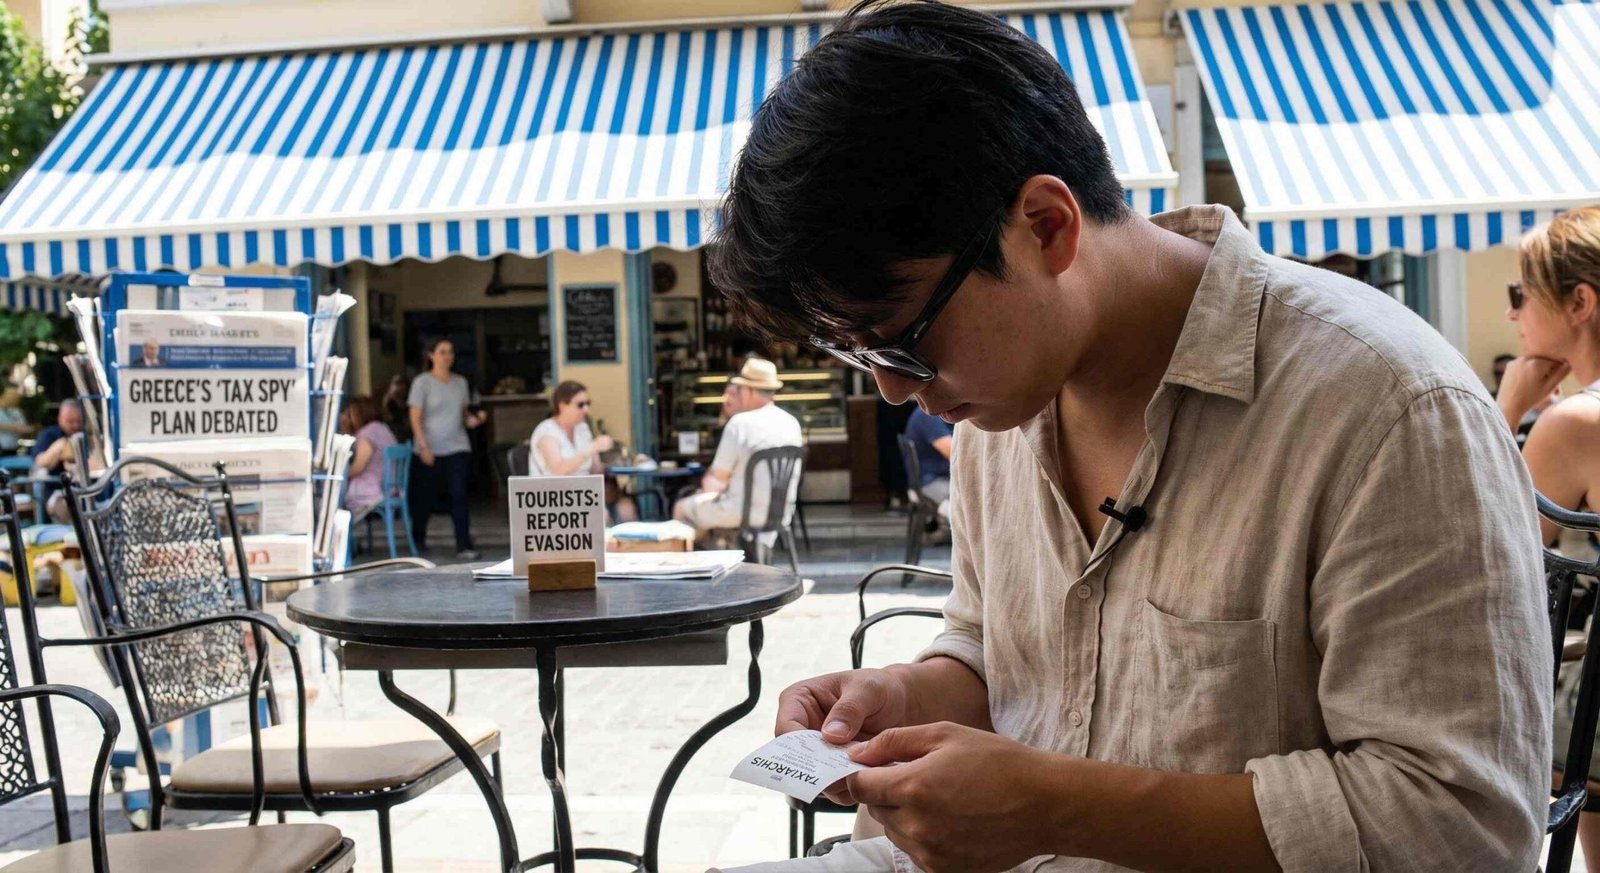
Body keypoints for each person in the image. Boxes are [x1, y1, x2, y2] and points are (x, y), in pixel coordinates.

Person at [706, 3, 1550, 871]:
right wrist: (905, 692)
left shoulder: (1388, 407)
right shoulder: (1003, 405)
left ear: (1046, 226)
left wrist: (1058, 810)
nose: (891, 389)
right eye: (855, 354)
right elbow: (1004, 655)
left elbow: (1462, 825)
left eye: (900, 339)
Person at [1494, 206, 1600, 869]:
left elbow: (1484, 547)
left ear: (1580, 302)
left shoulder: (1576, 422)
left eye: (1520, 293)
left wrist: (1505, 408)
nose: (1512, 315)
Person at [672, 357, 802, 540]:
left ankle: (690, 565)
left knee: (682, 507)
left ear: (750, 391)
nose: (739, 394)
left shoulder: (740, 423)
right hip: (780, 512)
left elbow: (718, 478)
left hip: (740, 511)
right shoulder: (791, 423)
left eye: (740, 389)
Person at [407, 339, 483, 559]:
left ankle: (464, 544)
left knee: (459, 496)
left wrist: (473, 419)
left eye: (450, 352)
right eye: (442, 352)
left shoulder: (460, 383)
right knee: (425, 499)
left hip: (457, 446)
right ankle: (418, 540)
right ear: (431, 355)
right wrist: (423, 446)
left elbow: (462, 414)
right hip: (429, 448)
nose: (447, 356)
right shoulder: (422, 382)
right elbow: (415, 416)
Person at [528, 380, 637, 521]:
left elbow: (596, 470)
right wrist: (591, 449)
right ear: (562, 406)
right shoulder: (547, 432)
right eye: (580, 405)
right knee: (600, 516)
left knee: (627, 507)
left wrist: (630, 460)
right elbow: (558, 470)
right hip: (552, 500)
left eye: (588, 404)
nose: (586, 409)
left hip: (584, 496)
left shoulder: (582, 429)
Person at [339, 395, 398, 525]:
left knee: (334, 497)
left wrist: (341, 475)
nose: (345, 418)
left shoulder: (366, 434)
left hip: (373, 491)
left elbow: (358, 468)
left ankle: (346, 541)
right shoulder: (383, 429)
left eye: (349, 414)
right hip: (391, 488)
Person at [0, 388, 33, 454]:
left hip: (13, 447)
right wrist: (15, 428)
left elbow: (23, 427)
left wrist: (28, 429)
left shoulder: (17, 411)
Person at [383, 373, 414, 443]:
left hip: (407, 436)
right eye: (395, 383)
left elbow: (409, 424)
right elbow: (385, 420)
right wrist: (385, 404)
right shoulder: (388, 403)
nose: (397, 387)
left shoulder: (411, 403)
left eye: (400, 383)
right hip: (391, 435)